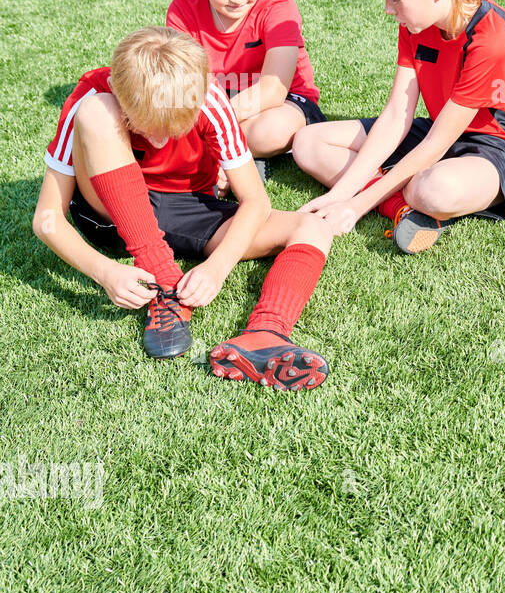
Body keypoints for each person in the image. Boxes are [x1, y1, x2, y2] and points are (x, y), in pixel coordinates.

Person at [33, 27, 336, 389]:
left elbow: (255, 201)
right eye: (146, 127)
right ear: (120, 88)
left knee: (313, 228)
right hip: (107, 210)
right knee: (97, 112)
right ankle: (164, 281)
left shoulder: (205, 96)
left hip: (184, 206)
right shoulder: (98, 91)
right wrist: (106, 272)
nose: (160, 140)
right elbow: (47, 218)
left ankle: (266, 333)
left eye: (173, 129)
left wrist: (217, 267)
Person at [292, 0, 505, 254]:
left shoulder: (493, 41)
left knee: (431, 189)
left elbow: (436, 145)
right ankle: (399, 206)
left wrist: (356, 204)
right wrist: (340, 195)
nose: (388, 9)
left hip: (501, 149)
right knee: (308, 143)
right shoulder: (415, 24)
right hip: (438, 131)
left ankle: (404, 197)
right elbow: (398, 112)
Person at [167, 0, 324, 183]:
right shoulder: (181, 11)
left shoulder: (278, 6)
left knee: (271, 130)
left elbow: (273, 90)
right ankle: (240, 157)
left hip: (284, 103)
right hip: (218, 105)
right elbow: (187, 84)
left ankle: (220, 157)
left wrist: (209, 130)